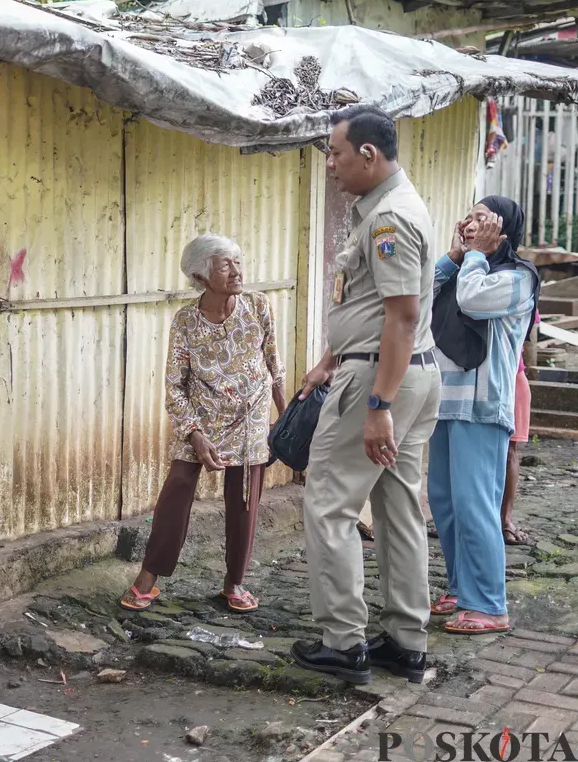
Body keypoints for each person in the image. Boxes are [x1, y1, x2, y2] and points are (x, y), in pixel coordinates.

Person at [293, 105, 441, 686]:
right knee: (399, 508)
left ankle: (343, 641)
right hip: (400, 374)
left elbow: (401, 318)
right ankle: (405, 641)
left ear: (368, 155)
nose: (330, 163)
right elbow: (374, 305)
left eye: (334, 152)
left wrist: (378, 406)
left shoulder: (389, 221)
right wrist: (333, 355)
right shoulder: (389, 208)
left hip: (382, 382)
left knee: (330, 502)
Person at [120, 234, 286, 613]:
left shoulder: (259, 306)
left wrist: (285, 415)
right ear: (200, 275)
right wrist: (194, 434)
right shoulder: (186, 322)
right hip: (201, 419)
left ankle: (235, 582)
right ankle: (149, 577)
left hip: (250, 418)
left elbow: (274, 367)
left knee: (244, 499)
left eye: (238, 262)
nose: (236, 271)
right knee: (177, 489)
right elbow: (174, 388)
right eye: (225, 264)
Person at [427, 197, 537, 635]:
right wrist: (456, 255)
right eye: (468, 217)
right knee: (446, 503)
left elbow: (472, 303)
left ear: (504, 231)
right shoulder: (465, 268)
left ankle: (489, 603)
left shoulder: (517, 278)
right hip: (443, 401)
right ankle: (461, 588)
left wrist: (473, 256)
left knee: (476, 505)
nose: (470, 224)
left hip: (481, 404)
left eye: (481, 219)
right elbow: (420, 297)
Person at [502, 308, 539, 547]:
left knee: (508, 452)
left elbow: (525, 336)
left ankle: (505, 520)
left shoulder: (522, 284)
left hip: (511, 377)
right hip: (476, 379)